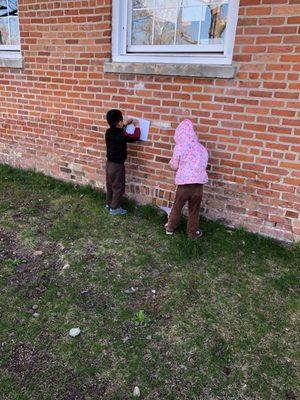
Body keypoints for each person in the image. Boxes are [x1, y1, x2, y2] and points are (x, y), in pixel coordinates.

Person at [165, 119, 208, 238]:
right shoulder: (202, 149)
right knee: (194, 209)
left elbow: (174, 165)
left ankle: (170, 227)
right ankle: (192, 232)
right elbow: (204, 165)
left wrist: (171, 163)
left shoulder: (180, 147)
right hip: (198, 186)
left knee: (177, 206)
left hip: (184, 185)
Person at [105, 109, 140, 215]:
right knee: (118, 186)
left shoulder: (108, 132)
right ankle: (115, 208)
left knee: (110, 184)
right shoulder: (122, 135)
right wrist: (137, 126)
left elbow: (119, 131)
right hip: (117, 166)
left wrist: (125, 124)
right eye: (122, 120)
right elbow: (135, 136)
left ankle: (109, 203)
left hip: (109, 164)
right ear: (119, 122)